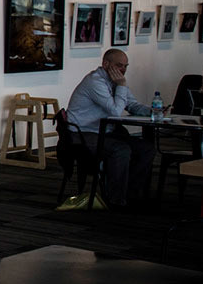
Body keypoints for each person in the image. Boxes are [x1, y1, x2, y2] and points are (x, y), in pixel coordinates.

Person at [64, 48, 155, 209]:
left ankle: (131, 193)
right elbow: (116, 111)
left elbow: (131, 104)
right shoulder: (95, 82)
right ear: (106, 64)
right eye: (119, 65)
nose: (123, 70)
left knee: (146, 148)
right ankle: (116, 199)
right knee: (120, 150)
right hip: (83, 133)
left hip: (104, 131)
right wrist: (121, 85)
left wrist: (153, 111)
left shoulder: (116, 81)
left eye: (126, 66)